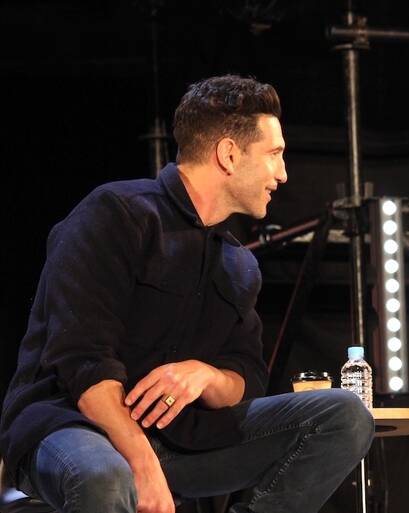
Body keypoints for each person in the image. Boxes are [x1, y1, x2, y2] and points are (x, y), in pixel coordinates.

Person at [0, 75, 374, 513]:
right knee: (107, 476)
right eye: (274, 154)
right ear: (229, 154)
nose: (283, 174)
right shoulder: (117, 214)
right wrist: (142, 464)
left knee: (344, 416)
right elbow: (81, 362)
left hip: (181, 440)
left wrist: (206, 376)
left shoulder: (238, 265)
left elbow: (247, 377)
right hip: (74, 426)